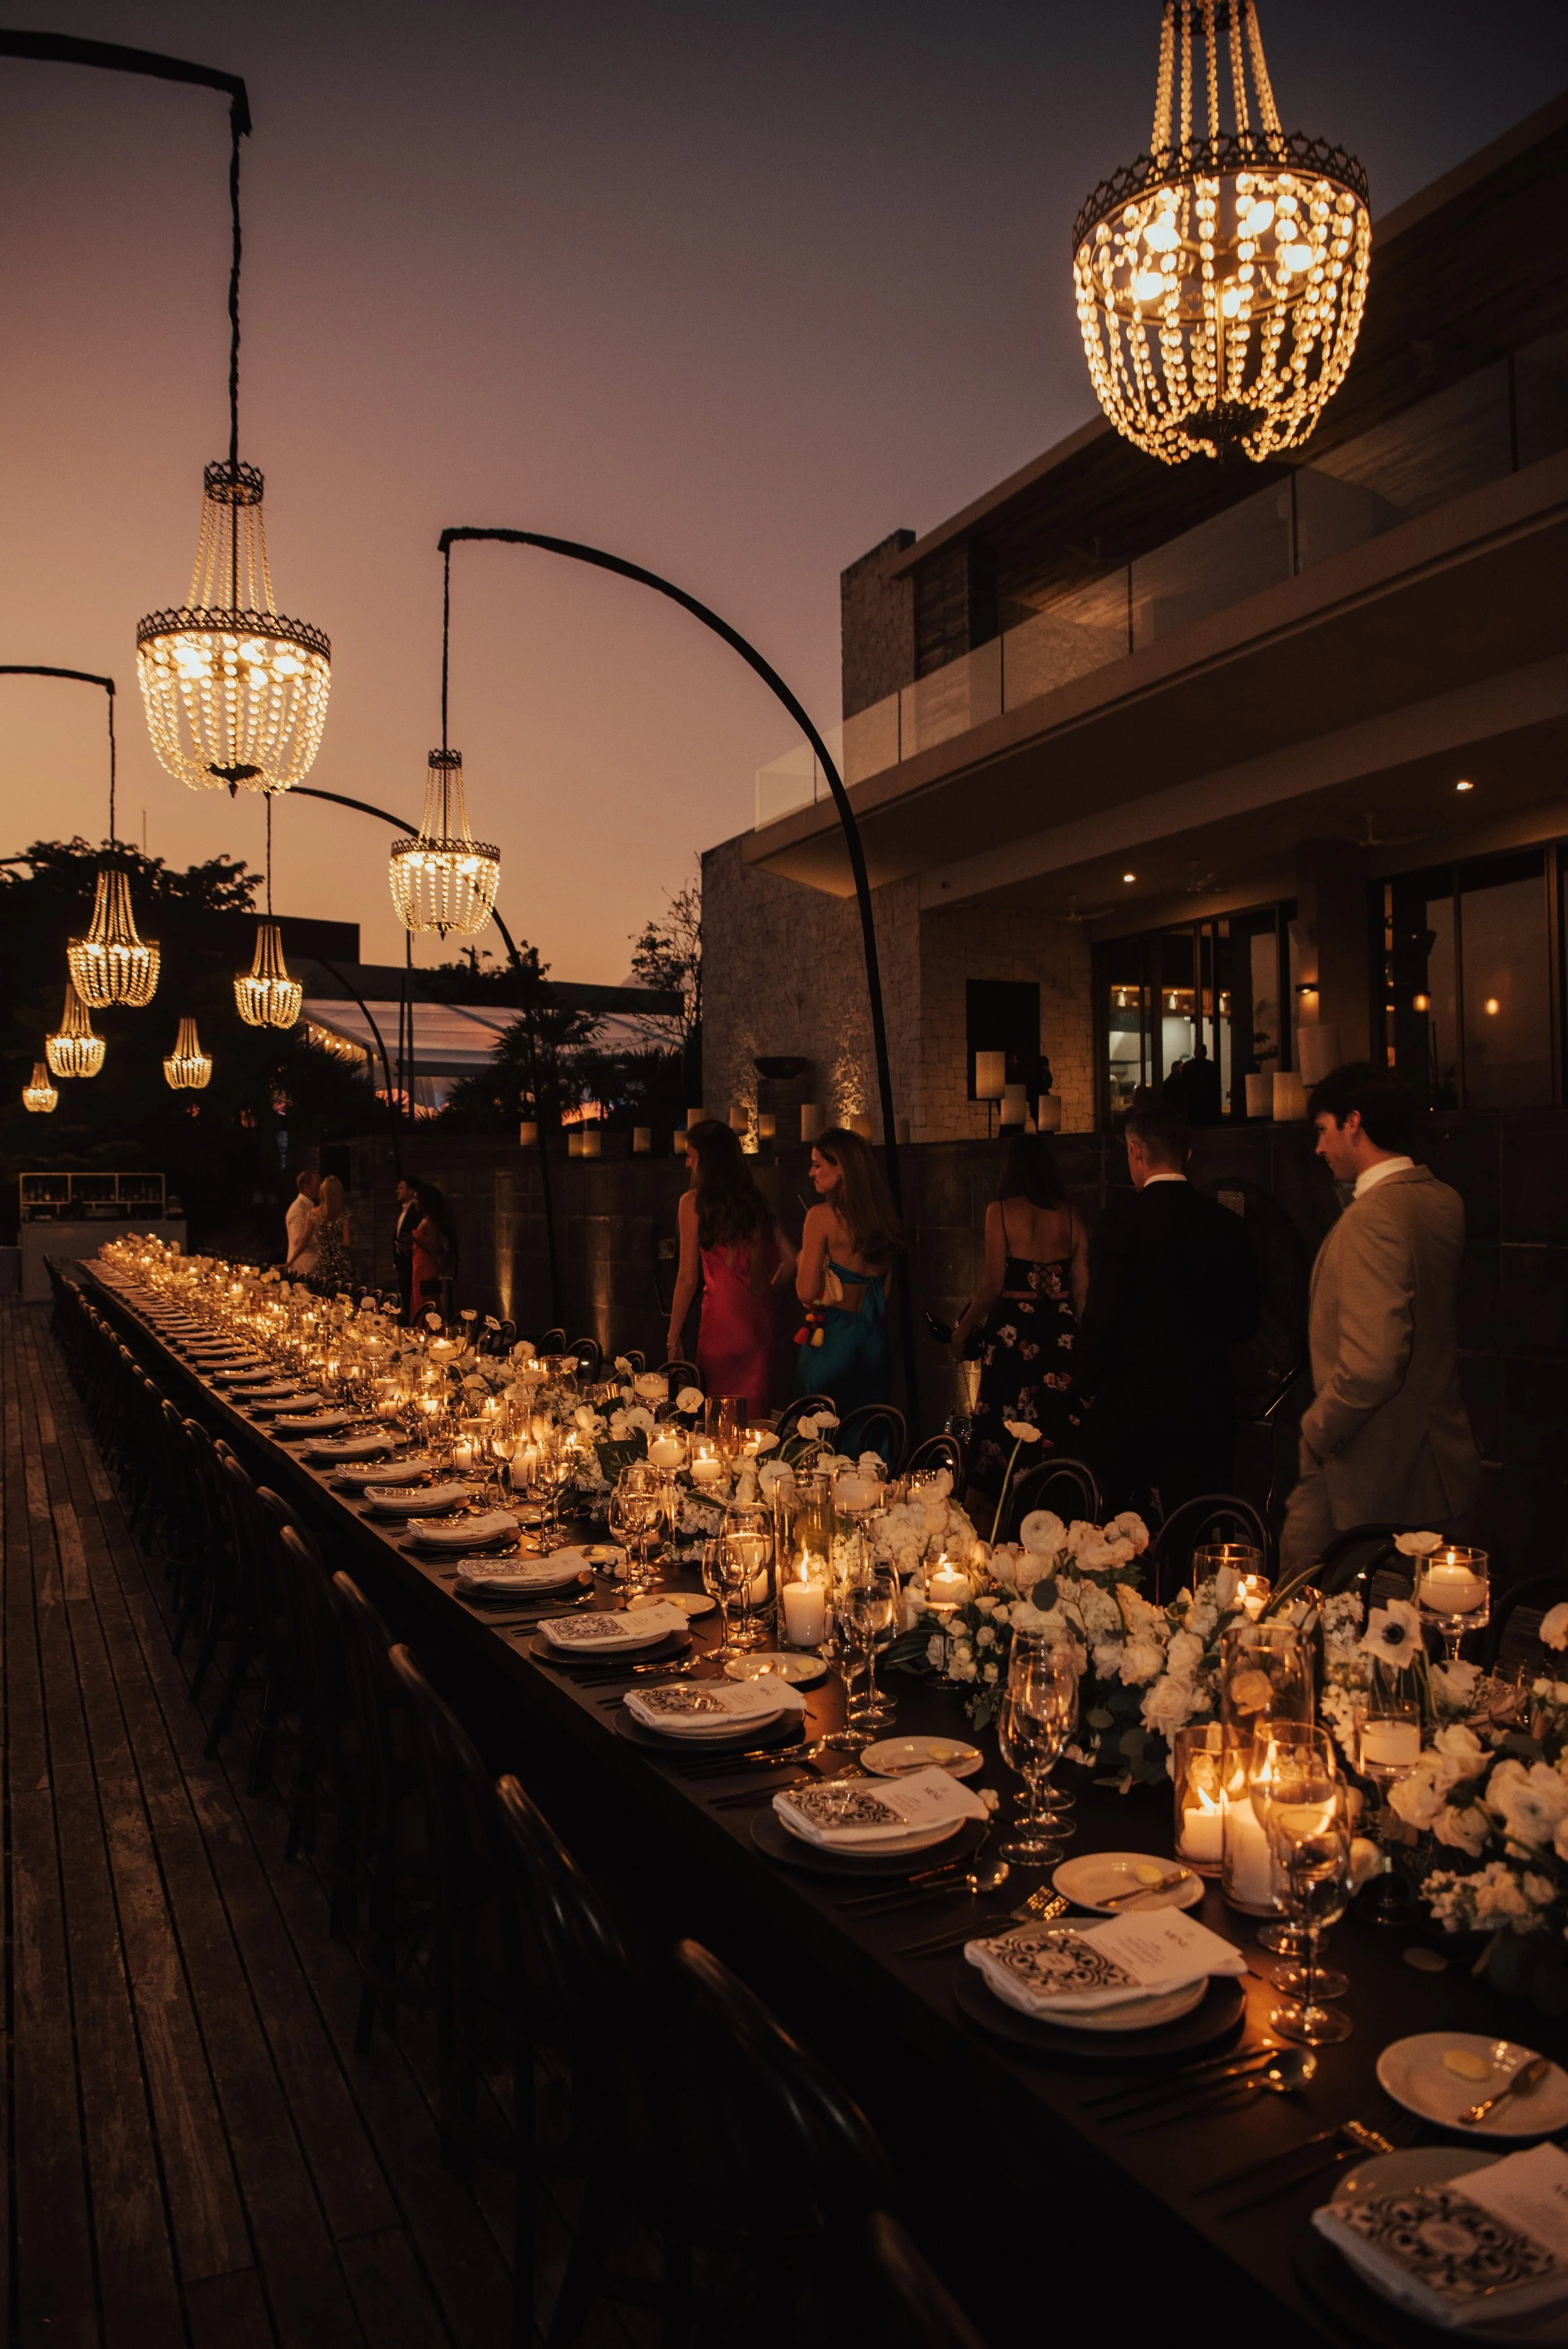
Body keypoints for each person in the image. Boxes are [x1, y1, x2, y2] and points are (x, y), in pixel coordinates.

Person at [1280, 1063, 1480, 1574]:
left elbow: (1373, 1363)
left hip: (1369, 1471)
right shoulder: (1441, 1199)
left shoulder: (1374, 1218)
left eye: (1323, 1130)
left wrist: (1317, 1431)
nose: (1319, 1148)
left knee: (1305, 1615)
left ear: (1354, 1122)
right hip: (1436, 1457)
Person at [1076, 1103, 1261, 1517]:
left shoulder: (1120, 1222)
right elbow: (1245, 1319)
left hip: (1130, 1407)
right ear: (1188, 1155)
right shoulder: (1226, 1225)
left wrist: (1086, 1383)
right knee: (1193, 1527)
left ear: (1136, 1152)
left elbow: (1102, 1313)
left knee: (1116, 1534)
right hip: (1203, 1407)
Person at [951, 1133, 1089, 1503]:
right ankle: (1055, 1497)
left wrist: (962, 1330)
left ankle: (1000, 1506)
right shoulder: (1073, 1216)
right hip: (1060, 1331)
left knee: (1002, 1421)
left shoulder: (999, 1212)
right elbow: (1082, 1292)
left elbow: (993, 1284)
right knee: (1055, 1418)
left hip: (1013, 1334)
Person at [667, 1120, 797, 1416]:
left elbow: (687, 1278)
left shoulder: (693, 1203)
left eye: (690, 1155)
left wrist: (673, 1338)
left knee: (719, 1419)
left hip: (721, 1326)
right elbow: (792, 1259)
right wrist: (765, 1294)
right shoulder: (754, 1202)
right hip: (757, 1326)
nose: (687, 1163)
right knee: (753, 1421)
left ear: (704, 1158)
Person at [795, 1126, 902, 1416]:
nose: (811, 1173)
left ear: (841, 1168)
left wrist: (803, 1261)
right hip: (873, 1341)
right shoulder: (884, 1218)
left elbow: (807, 1293)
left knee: (825, 1432)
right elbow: (886, 1291)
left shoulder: (821, 1217)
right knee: (868, 1427)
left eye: (817, 1165)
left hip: (832, 1340)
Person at [410, 1181, 453, 1322]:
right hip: (419, 1265)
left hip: (426, 1267)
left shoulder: (430, 1222)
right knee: (418, 1299)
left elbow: (433, 1246)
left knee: (426, 1302)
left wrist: (414, 1239)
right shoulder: (424, 1219)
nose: (414, 1202)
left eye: (417, 1198)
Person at [309, 1174, 354, 1295]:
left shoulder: (314, 1214)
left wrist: (290, 1261)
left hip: (324, 1264)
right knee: (343, 1300)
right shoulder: (344, 1215)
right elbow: (347, 1243)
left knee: (322, 1298)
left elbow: (304, 1240)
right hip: (342, 1265)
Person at [392, 1174, 420, 1322]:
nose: (397, 1191)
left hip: (412, 1263)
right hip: (403, 1264)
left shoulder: (416, 1213)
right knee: (406, 1298)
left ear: (411, 1191)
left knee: (411, 1300)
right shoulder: (404, 1211)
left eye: (401, 1188)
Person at [284, 1170, 319, 1276]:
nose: (320, 1188)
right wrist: (323, 1238)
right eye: (317, 1185)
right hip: (302, 1269)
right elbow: (298, 1240)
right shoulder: (298, 1210)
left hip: (310, 1267)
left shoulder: (308, 1206)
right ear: (307, 1187)